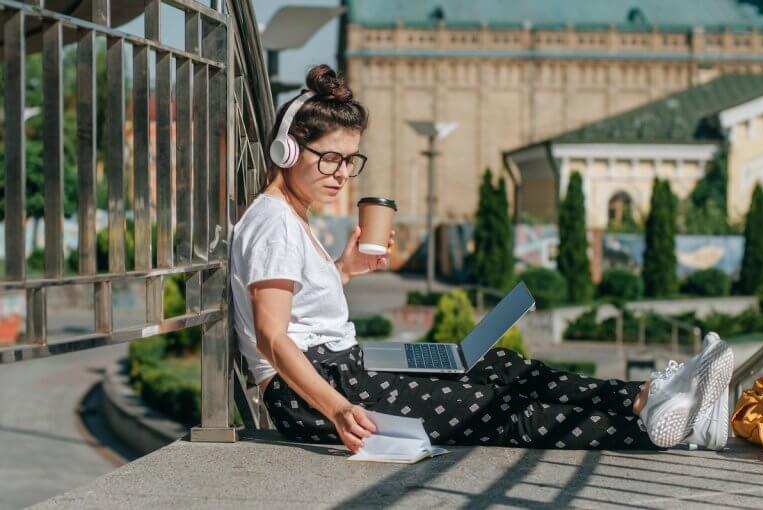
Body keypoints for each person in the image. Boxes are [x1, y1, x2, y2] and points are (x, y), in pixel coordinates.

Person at [230, 64, 734, 453]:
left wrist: (344, 270)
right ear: (287, 151)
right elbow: (273, 337)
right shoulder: (274, 223)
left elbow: (298, 314)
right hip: (313, 392)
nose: (342, 174)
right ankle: (664, 429)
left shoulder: (290, 218)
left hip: (343, 368)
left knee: (501, 366)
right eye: (330, 159)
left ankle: (646, 398)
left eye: (350, 160)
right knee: (497, 410)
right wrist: (339, 409)